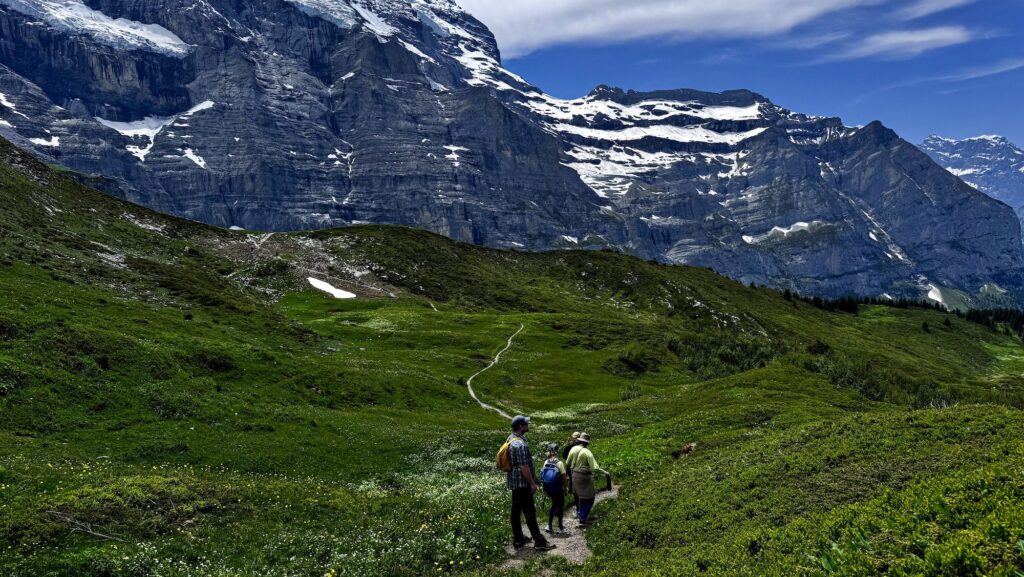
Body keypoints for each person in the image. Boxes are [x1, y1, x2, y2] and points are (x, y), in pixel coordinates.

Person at [506, 415, 556, 551]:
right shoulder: (520, 445)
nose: (528, 425)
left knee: (515, 511)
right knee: (529, 511)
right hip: (523, 484)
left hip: (514, 482)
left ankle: (518, 539)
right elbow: (524, 467)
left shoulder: (511, 439)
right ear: (521, 426)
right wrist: (532, 483)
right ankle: (539, 541)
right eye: (526, 424)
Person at [567, 432, 608, 525]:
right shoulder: (587, 452)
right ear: (587, 442)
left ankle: (580, 513)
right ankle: (583, 516)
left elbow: (568, 462)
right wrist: (605, 473)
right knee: (590, 497)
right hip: (584, 476)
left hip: (574, 475)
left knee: (580, 496)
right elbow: (595, 468)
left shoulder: (573, 448)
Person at [540, 442, 569, 535]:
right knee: (560, 506)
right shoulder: (559, 463)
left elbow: (542, 475)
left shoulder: (546, 462)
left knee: (554, 504)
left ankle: (549, 525)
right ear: (557, 452)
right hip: (558, 488)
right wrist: (565, 488)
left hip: (549, 488)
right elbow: (564, 478)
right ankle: (560, 527)